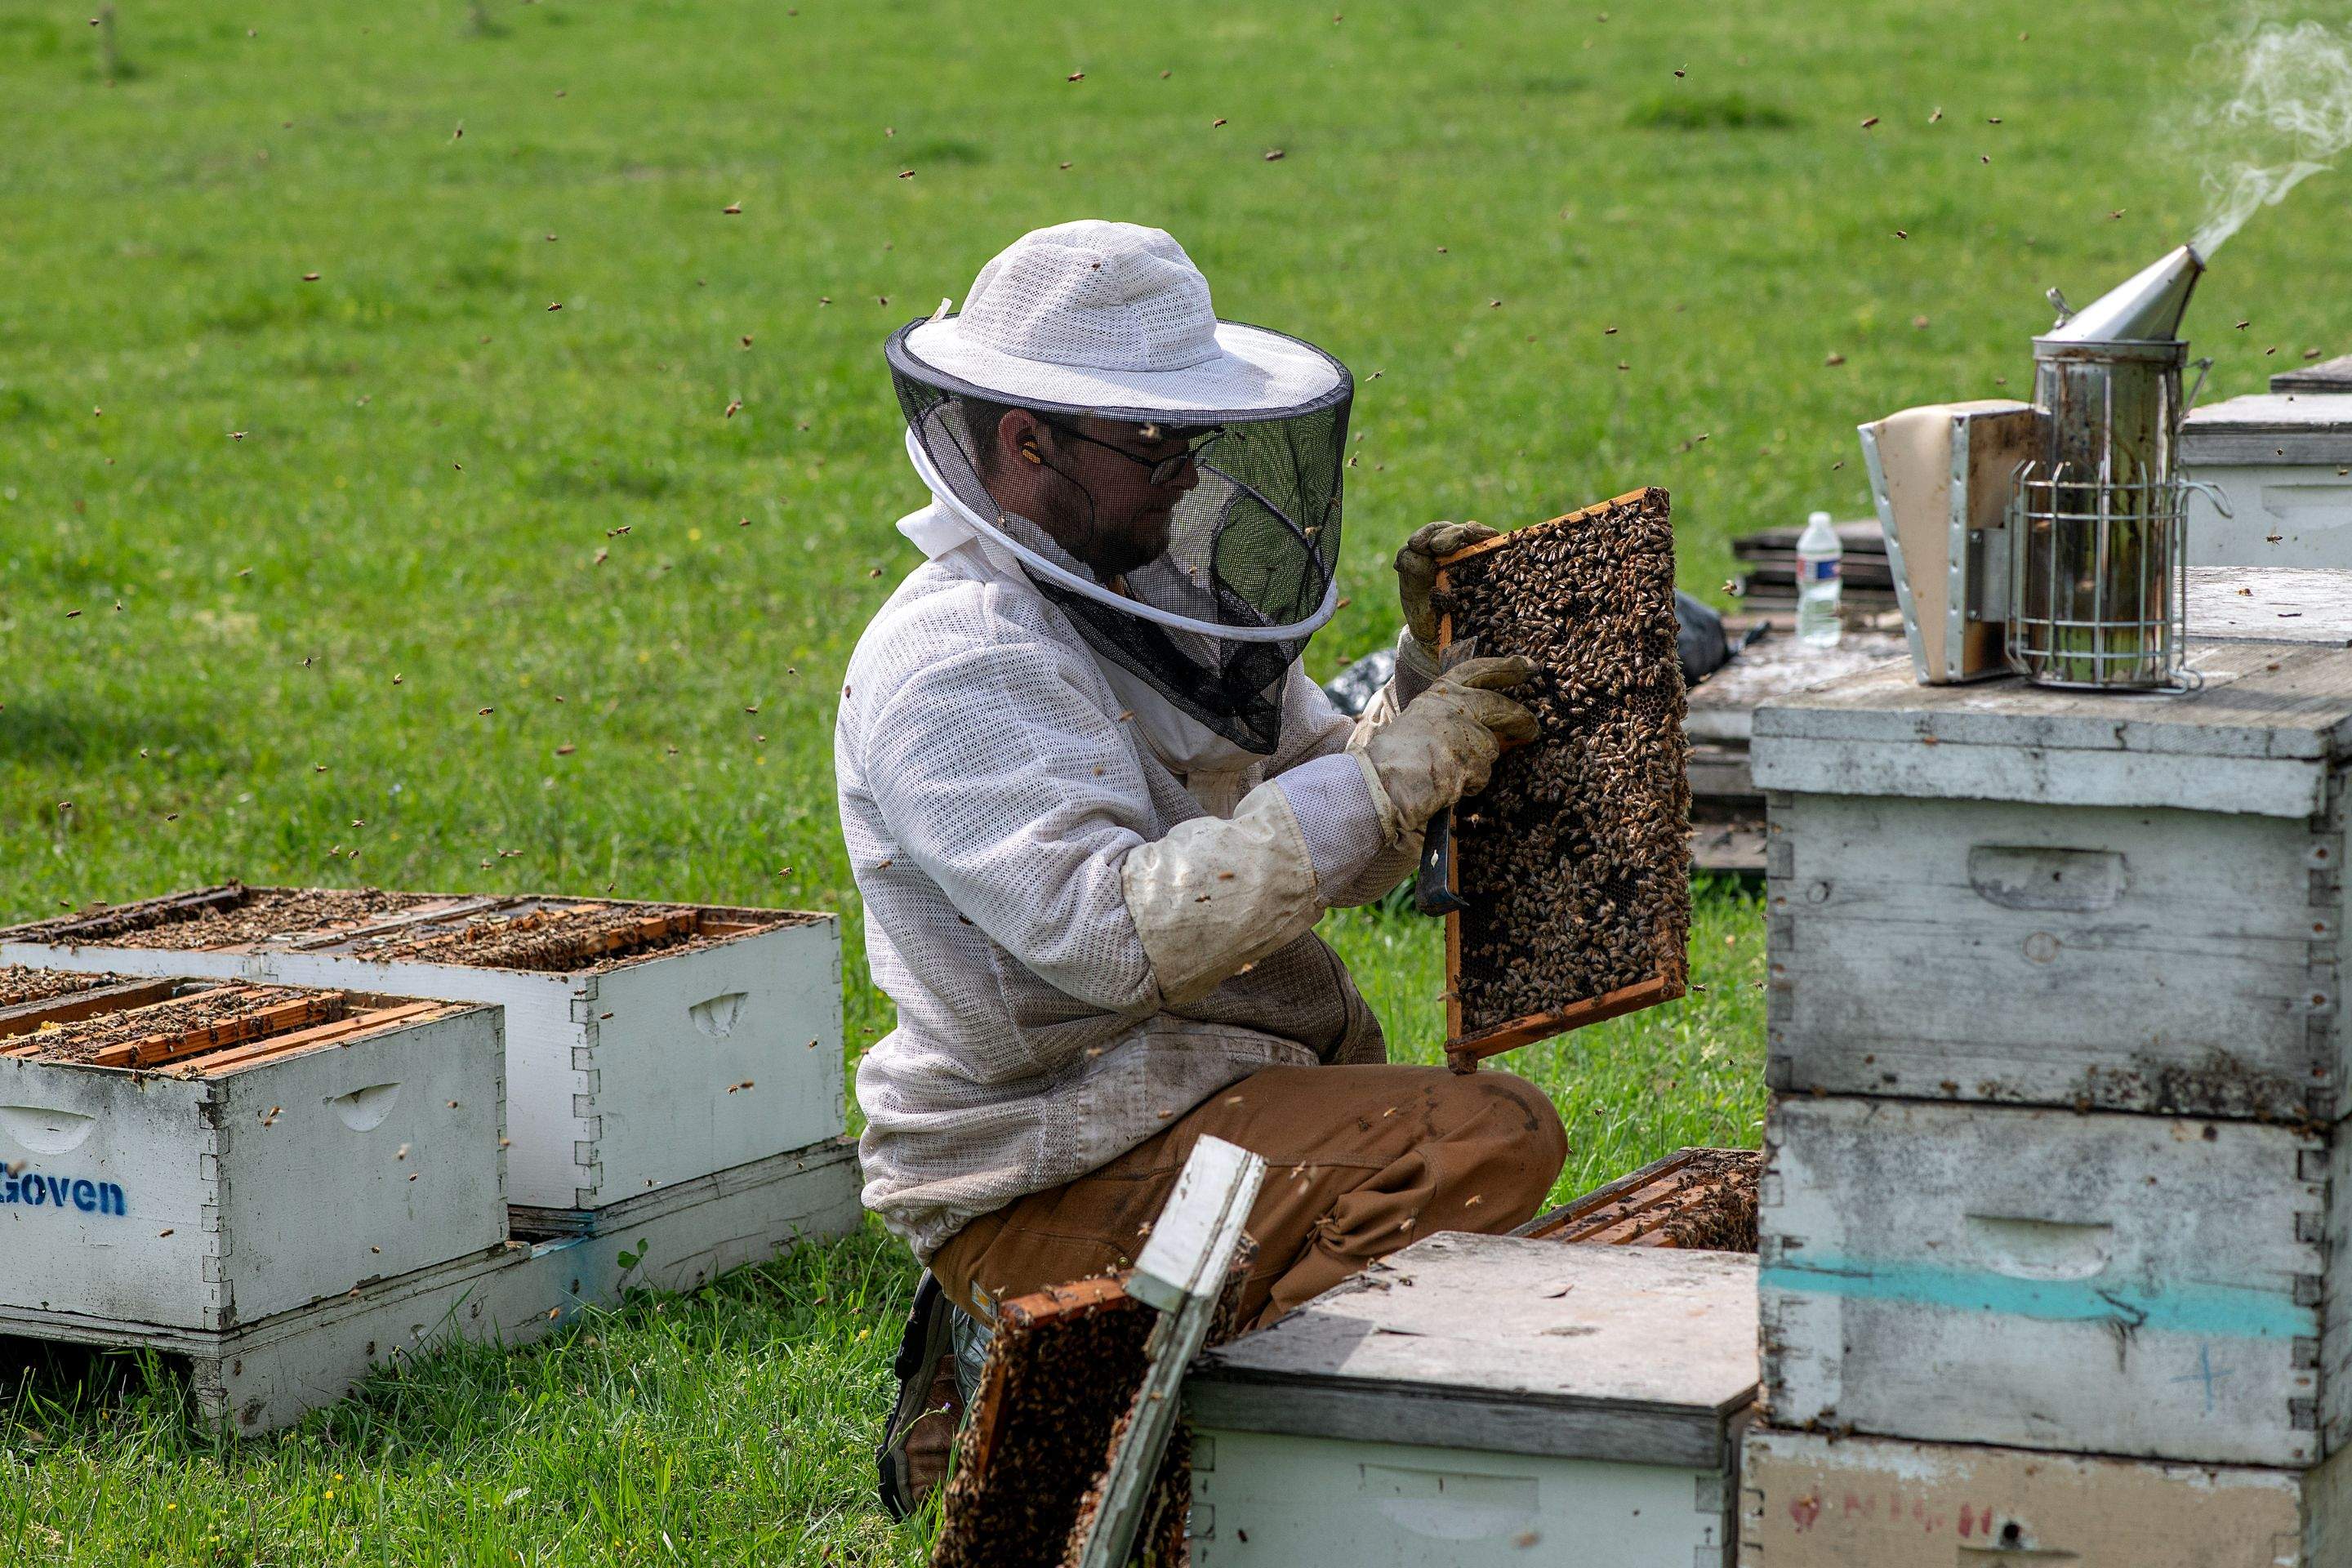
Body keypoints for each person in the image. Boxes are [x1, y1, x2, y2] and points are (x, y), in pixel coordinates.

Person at [840, 220, 1567, 1516]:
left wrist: (1419, 695)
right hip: (1053, 1149)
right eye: (1150, 448)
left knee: (1443, 1150)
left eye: (1190, 443)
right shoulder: (960, 663)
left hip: (1209, 1093)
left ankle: (1103, 1385)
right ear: (1027, 444)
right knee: (1483, 1142)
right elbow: (1117, 934)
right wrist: (1388, 776)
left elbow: (1314, 813)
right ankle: (1081, 1428)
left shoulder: (1153, 607)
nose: (1183, 481)